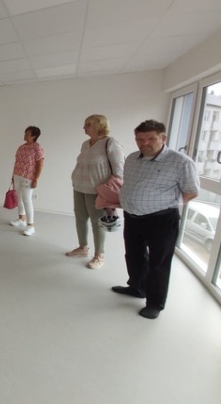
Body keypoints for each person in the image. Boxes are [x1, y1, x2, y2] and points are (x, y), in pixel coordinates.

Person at [112, 120, 199, 319]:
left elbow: (191, 191)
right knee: (133, 255)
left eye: (150, 138)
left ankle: (155, 303)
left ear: (163, 138)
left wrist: (167, 204)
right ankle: (137, 287)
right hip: (133, 216)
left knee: (158, 262)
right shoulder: (132, 158)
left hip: (162, 220)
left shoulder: (181, 162)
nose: (144, 143)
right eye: (139, 139)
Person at [67, 114, 125, 269]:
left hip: (97, 191)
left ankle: (99, 255)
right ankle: (83, 247)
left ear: (99, 126)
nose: (84, 127)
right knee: (80, 218)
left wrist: (106, 189)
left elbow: (119, 170)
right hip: (79, 187)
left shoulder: (110, 143)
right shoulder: (85, 144)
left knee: (97, 221)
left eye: (88, 124)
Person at [10, 126, 44, 236]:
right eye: (25, 132)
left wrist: (36, 179)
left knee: (27, 200)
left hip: (28, 177)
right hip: (17, 175)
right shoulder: (21, 147)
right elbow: (17, 162)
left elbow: (40, 164)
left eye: (28, 133)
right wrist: (13, 175)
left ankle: (31, 226)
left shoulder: (37, 148)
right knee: (18, 198)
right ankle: (21, 219)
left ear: (34, 136)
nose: (25, 134)